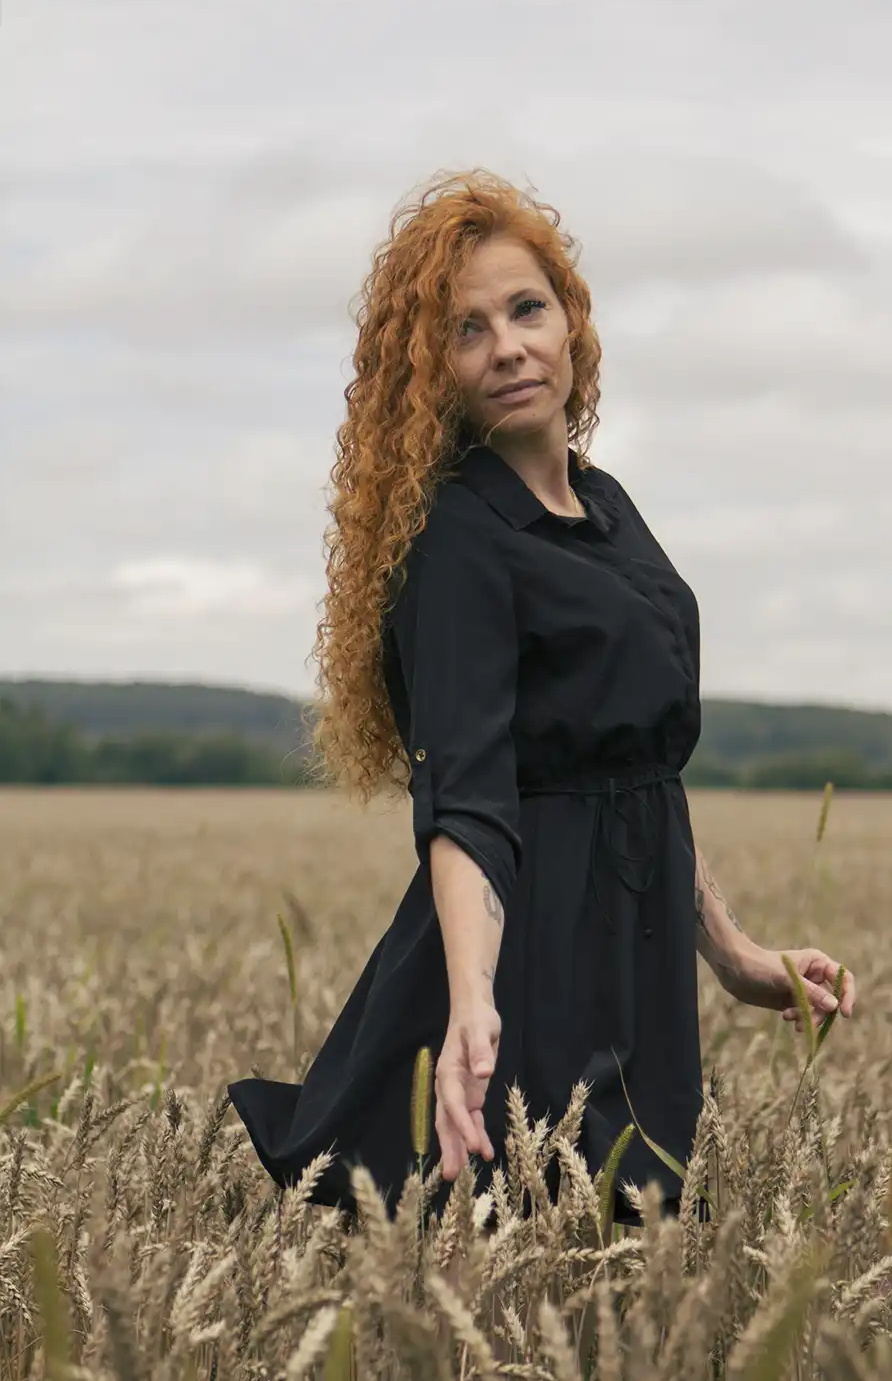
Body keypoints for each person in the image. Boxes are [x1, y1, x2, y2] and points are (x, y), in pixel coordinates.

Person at [228, 169, 856, 1228]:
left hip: (640, 971)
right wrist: (475, 1001)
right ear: (433, 373)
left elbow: (633, 775)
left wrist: (736, 955)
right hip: (534, 972)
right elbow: (465, 797)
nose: (508, 348)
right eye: (466, 332)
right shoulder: (454, 537)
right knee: (539, 1249)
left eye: (526, 309)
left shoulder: (606, 506)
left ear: (572, 323)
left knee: (627, 1258)